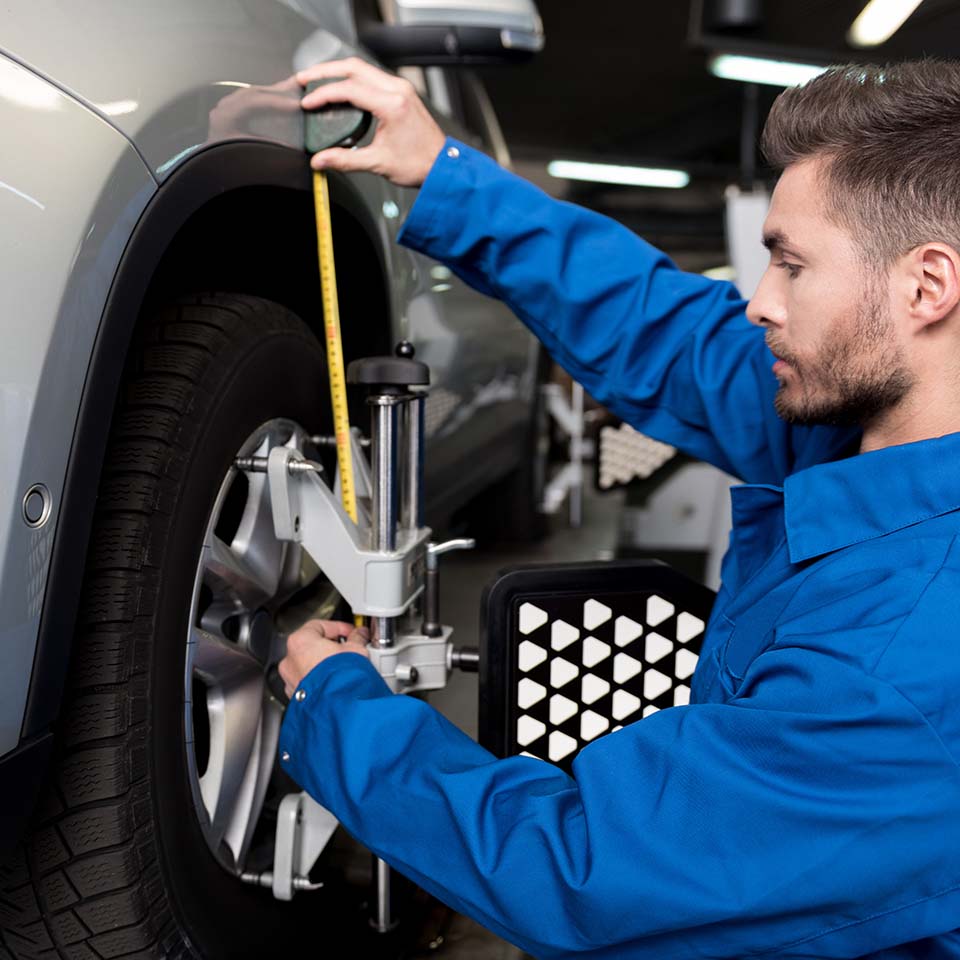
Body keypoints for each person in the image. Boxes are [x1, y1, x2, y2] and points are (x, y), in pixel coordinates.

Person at [277, 58, 960, 957]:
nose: (759, 303)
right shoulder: (870, 422)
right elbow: (668, 330)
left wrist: (337, 712)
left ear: (926, 285)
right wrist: (445, 172)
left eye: (792, 265)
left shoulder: (900, 668)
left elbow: (584, 873)